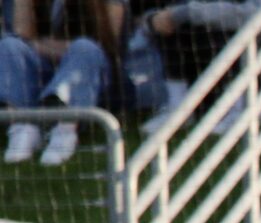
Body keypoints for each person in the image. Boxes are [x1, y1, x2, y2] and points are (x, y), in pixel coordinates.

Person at [2, 0, 157, 164]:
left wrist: (46, 47)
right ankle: (23, 127)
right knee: (9, 46)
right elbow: (22, 36)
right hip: (49, 70)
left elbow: (106, 47)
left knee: (84, 48)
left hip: (100, 80)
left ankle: (65, 131)